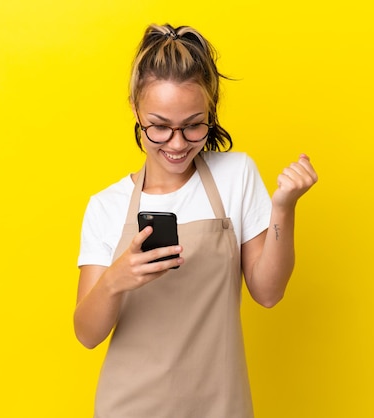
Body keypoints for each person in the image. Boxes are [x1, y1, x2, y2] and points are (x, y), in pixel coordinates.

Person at [74, 23, 318, 418]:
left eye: (193, 125)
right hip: (129, 407)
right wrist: (117, 279)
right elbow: (86, 334)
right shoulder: (106, 206)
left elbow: (268, 293)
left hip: (219, 405)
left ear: (211, 112)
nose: (176, 143)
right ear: (136, 111)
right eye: (160, 126)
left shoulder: (236, 175)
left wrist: (284, 208)